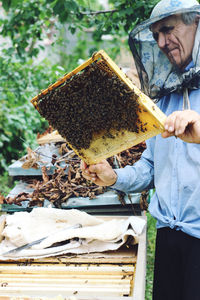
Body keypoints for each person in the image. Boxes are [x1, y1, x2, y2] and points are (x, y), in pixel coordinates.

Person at [81, 0, 200, 299]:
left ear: (197, 24)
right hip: (169, 236)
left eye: (169, 29)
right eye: (157, 34)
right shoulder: (166, 98)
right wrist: (113, 178)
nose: (162, 42)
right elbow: (150, 167)